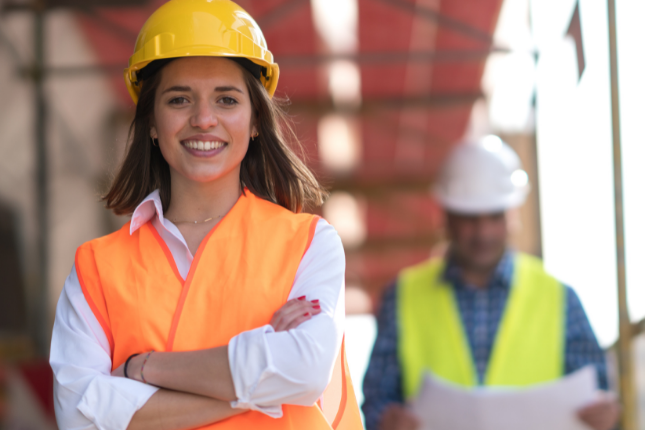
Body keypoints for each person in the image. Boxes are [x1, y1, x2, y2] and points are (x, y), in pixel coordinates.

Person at [49, 1, 363, 429]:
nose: (203, 119)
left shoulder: (309, 243)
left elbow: (305, 370)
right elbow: (79, 415)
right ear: (153, 124)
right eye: (179, 99)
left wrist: (143, 369)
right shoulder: (95, 270)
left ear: (255, 121)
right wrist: (260, 383)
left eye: (226, 99)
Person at [361, 136, 620, 430]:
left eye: (495, 217)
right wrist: (386, 420)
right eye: (469, 218)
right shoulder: (402, 297)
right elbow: (376, 400)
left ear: (513, 214)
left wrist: (604, 414)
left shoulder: (560, 298)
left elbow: (596, 393)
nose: (483, 232)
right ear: (446, 218)